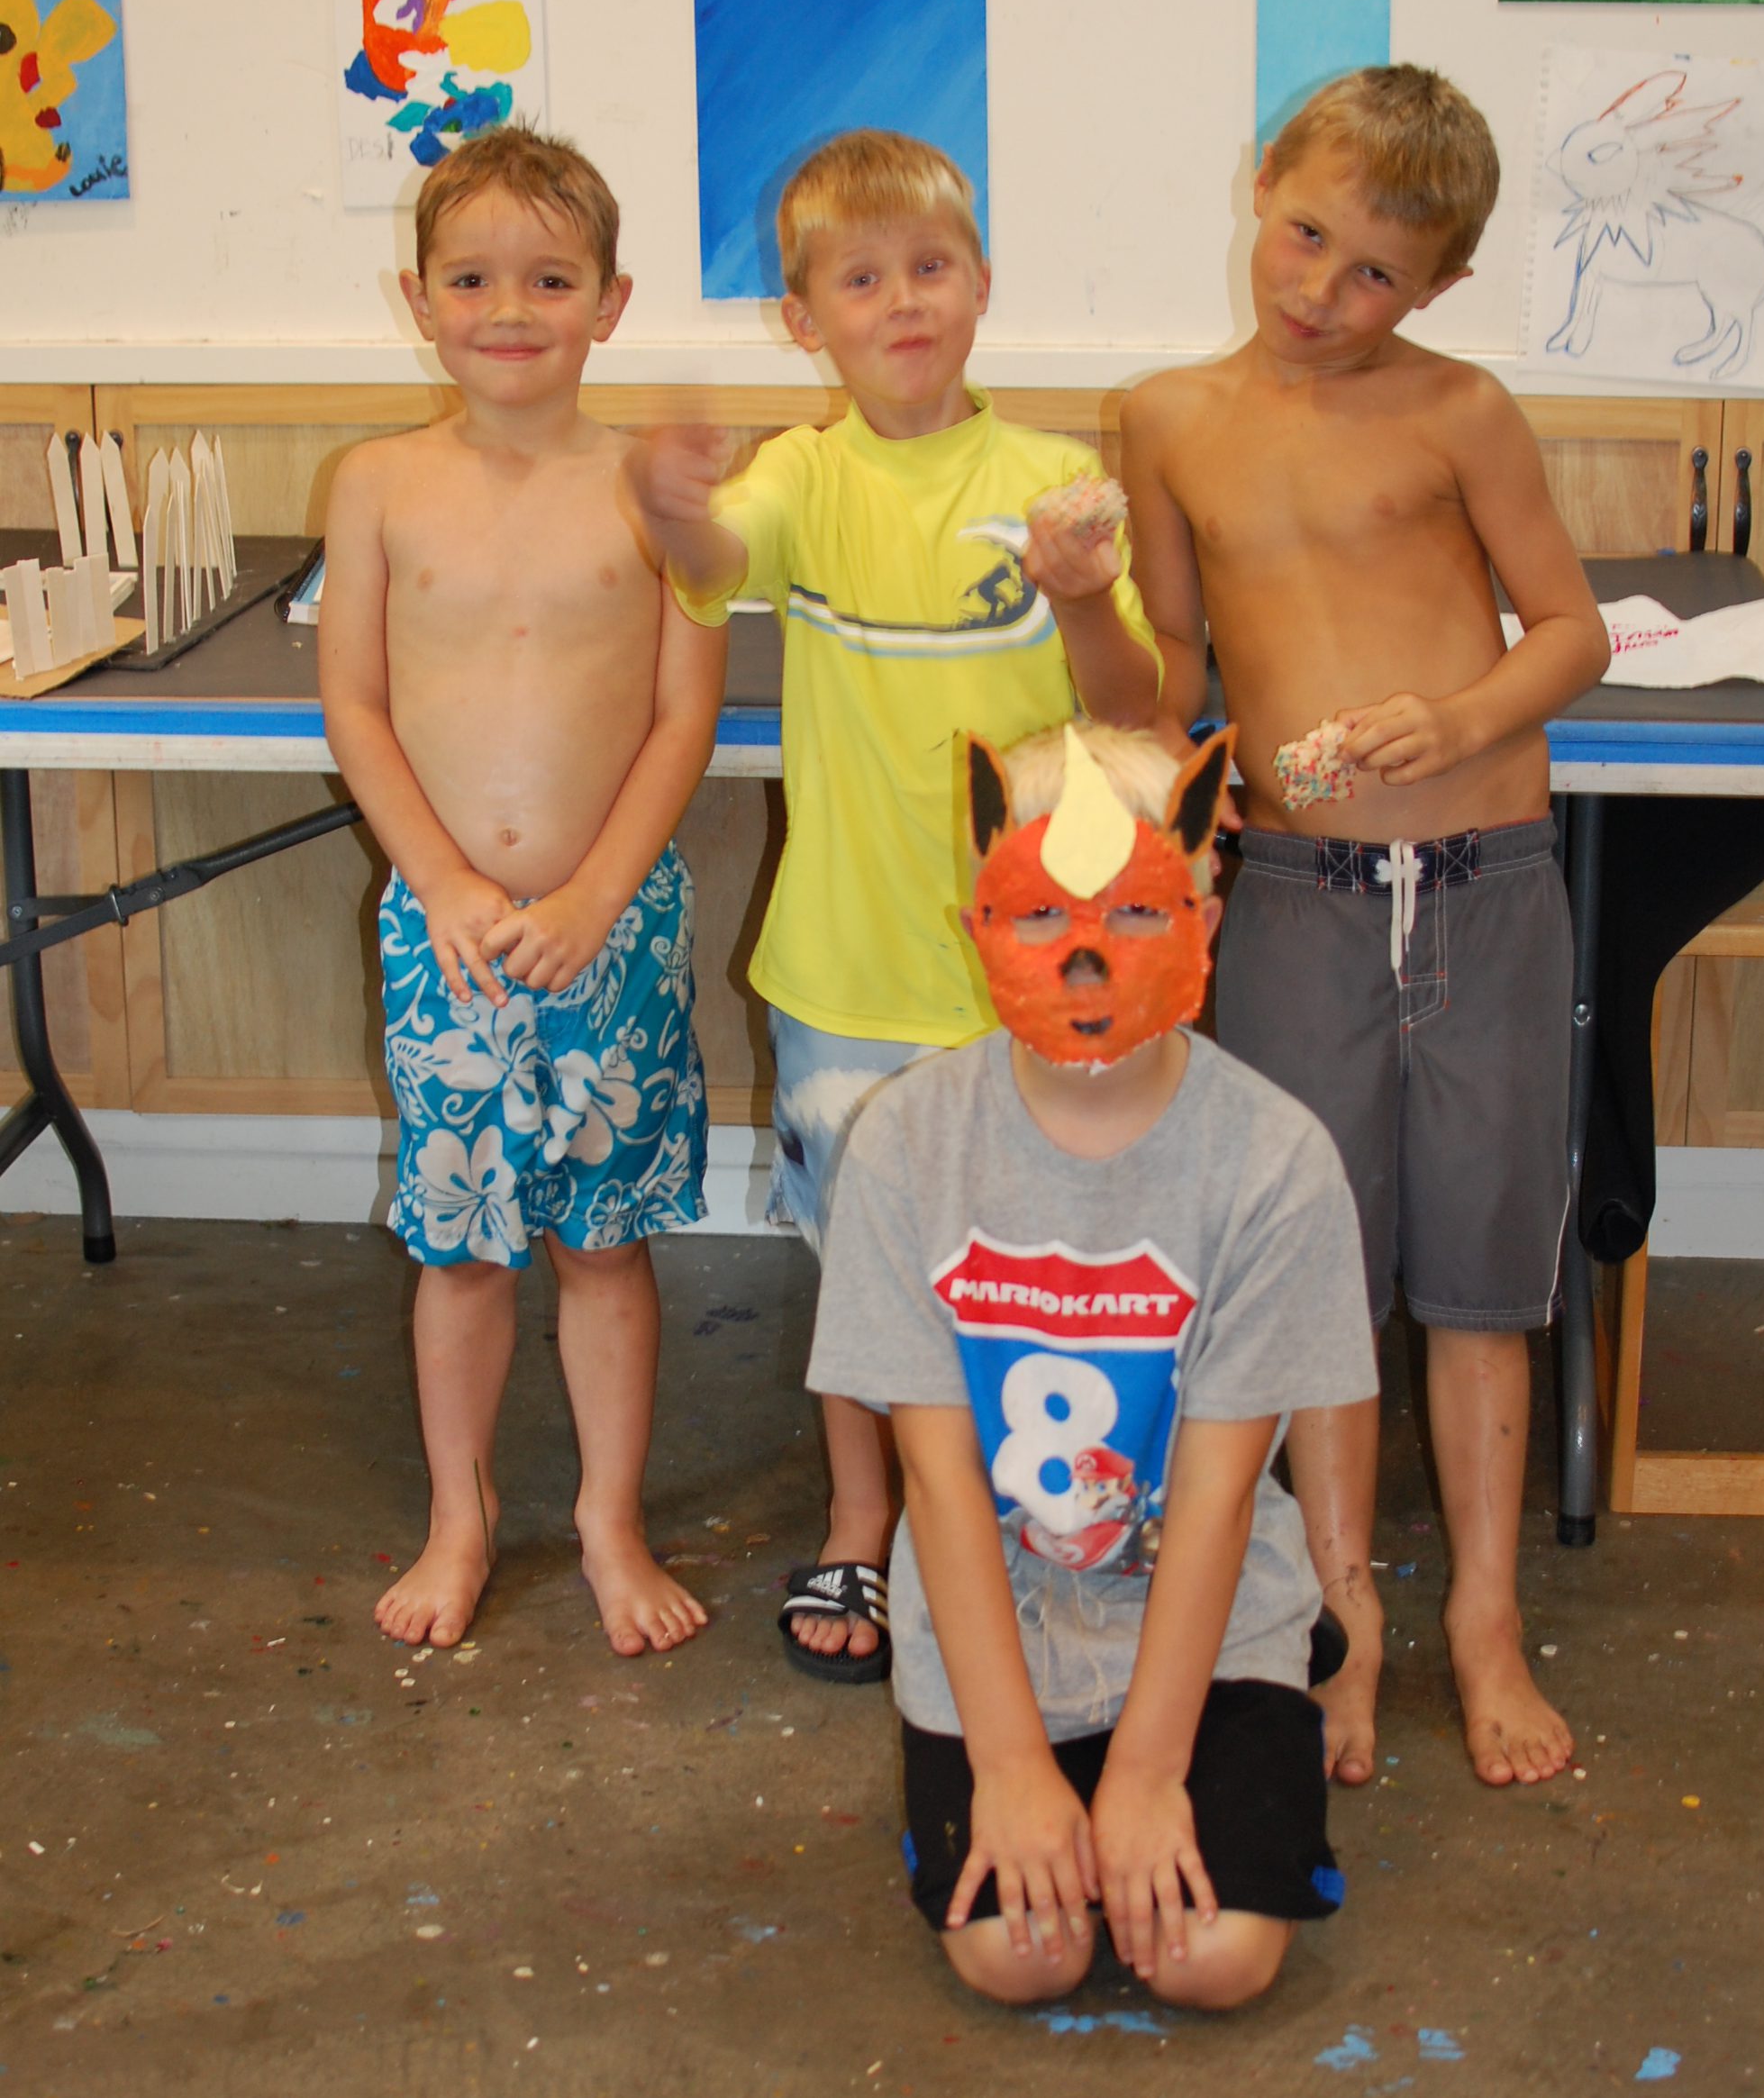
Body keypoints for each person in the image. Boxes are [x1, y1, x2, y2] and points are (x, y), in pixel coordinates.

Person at [1120, 65, 1611, 1789]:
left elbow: (1570, 629)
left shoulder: (1460, 408)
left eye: (1376, 273)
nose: (1322, 291)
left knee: (1478, 1275)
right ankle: (1345, 1620)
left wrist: (1459, 716)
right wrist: (1166, 771)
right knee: (1311, 1275)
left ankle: (1484, 1617)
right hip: (1294, 902)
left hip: (1486, 884)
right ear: (1265, 183)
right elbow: (1170, 677)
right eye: (1307, 236)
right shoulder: (1164, 418)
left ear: (1440, 285)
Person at [623, 128, 1161, 1680]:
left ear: (981, 283)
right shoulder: (802, 476)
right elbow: (713, 561)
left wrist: (1077, 592)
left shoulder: (1055, 484)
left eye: (929, 267)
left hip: (1036, 978)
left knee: (1040, 1264)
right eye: (860, 280)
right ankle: (862, 1519)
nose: (903, 300)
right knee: (865, 1276)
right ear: (806, 321)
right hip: (845, 972)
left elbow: (1133, 706)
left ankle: (1026, 1516)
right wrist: (663, 500)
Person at [806, 719, 1378, 2007]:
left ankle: (1276, 1699)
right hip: (994, 1612)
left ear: (1204, 921)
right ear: (979, 927)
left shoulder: (1274, 1162)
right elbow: (938, 1480)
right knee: (1022, 1956)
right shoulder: (906, 1146)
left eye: (1135, 910)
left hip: (1205, 1609)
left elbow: (1221, 1493)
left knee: (1212, 1958)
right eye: (1042, 914)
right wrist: (1011, 1765)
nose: (1087, 958)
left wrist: (1149, 1771)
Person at [319, 124, 724, 1658]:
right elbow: (356, 703)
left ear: (610, 303)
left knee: (603, 1244)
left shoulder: (654, 489)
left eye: (550, 279)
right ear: (417, 298)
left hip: (611, 927)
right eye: (472, 278)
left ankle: (610, 1517)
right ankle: (462, 1511)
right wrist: (437, 883)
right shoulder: (376, 483)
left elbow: (683, 716)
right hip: (448, 939)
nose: (509, 308)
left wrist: (596, 897)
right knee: (464, 1244)